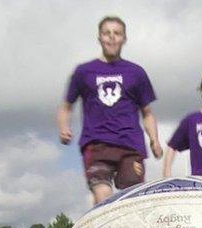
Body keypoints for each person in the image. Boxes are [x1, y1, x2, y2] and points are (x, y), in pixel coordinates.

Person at [57, 16, 163, 205]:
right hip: (96, 145)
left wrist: (154, 140)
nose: (112, 37)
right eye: (107, 33)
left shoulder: (136, 72)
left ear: (124, 38)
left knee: (133, 199)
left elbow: (147, 112)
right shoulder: (84, 72)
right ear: (99, 38)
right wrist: (64, 127)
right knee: (102, 195)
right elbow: (66, 107)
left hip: (130, 145)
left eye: (117, 33)